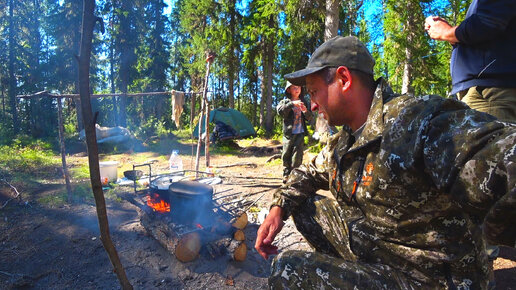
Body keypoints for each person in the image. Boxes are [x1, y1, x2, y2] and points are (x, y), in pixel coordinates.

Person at [254, 35, 516, 288]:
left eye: (314, 92)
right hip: (381, 254)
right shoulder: (345, 141)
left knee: (287, 269)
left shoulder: (418, 120)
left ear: (344, 79)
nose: (312, 105)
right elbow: (309, 172)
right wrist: (279, 207)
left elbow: (498, 152)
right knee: (304, 205)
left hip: (429, 279)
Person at [424, 0, 516, 122]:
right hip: (486, 92)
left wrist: (447, 32)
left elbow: (486, 24)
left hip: (489, 94)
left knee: (489, 140)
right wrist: (452, 35)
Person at [277, 81, 312, 182]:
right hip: (288, 134)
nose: (297, 89)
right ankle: (286, 175)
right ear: (289, 90)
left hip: (300, 133)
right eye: (294, 88)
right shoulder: (285, 102)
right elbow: (280, 111)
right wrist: (292, 104)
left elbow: (310, 118)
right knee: (286, 154)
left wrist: (305, 111)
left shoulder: (304, 102)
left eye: (299, 87)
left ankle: (295, 175)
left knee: (297, 155)